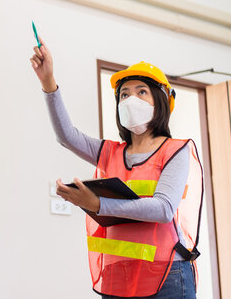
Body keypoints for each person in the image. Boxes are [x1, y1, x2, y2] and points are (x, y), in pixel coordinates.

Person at [30, 39, 203, 299]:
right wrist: (48, 81)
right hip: (119, 276)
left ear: (161, 101)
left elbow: (163, 208)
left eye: (141, 91)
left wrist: (98, 204)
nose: (131, 99)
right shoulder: (109, 151)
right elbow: (66, 135)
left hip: (167, 274)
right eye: (124, 94)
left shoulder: (175, 150)